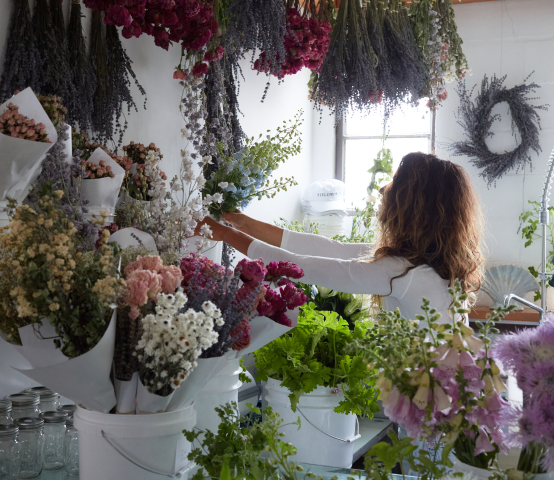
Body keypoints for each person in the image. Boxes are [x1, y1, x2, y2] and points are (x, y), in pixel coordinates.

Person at [196, 152, 484, 324]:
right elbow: (330, 249)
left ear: (414, 206)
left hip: (437, 399)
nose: (385, 189)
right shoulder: (422, 264)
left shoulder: (402, 271)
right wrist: (242, 222)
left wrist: (222, 233)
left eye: (395, 182)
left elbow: (298, 265)